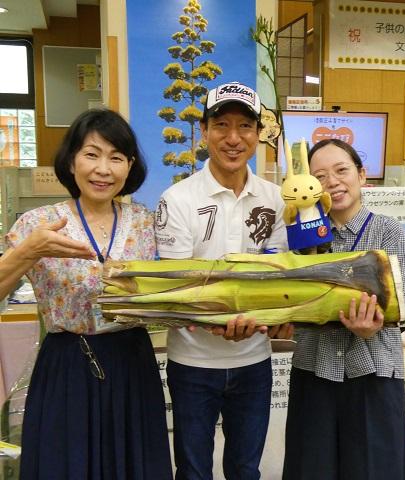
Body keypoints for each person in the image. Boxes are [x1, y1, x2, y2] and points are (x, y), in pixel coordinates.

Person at [4, 109, 173, 480]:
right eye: (92, 154)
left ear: (129, 167)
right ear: (71, 160)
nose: (103, 169)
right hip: (67, 365)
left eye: (116, 158)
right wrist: (27, 251)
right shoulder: (38, 224)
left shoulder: (146, 223)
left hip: (132, 363)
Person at [155, 81, 292, 480]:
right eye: (221, 125)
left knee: (246, 469)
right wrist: (223, 318)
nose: (233, 138)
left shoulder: (275, 198)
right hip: (193, 362)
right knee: (194, 471)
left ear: (257, 135)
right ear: (204, 132)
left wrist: (276, 315)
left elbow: (277, 275)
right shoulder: (177, 200)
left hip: (254, 361)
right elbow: (180, 289)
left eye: (245, 127)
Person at [282, 138, 405, 480]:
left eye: (342, 170)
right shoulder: (301, 238)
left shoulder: (390, 232)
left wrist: (376, 324)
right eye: (319, 176)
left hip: (374, 374)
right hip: (314, 372)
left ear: (361, 174)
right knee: (312, 469)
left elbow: (399, 306)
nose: (332, 182)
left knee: (374, 470)